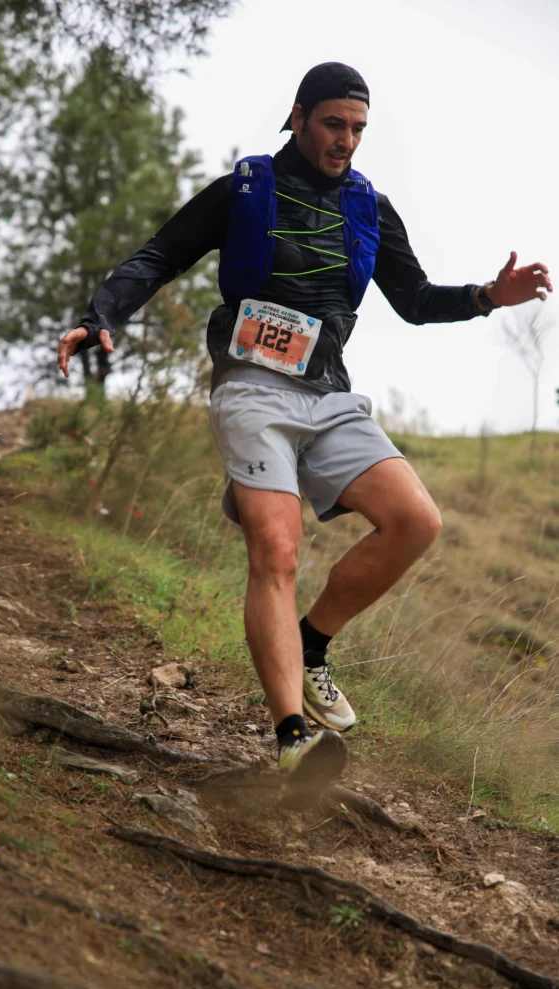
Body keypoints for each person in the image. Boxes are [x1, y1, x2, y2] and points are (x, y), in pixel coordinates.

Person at [58, 63, 552, 786]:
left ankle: (311, 645)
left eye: (356, 128)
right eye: (332, 124)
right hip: (251, 388)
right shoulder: (245, 189)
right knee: (277, 551)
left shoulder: (368, 206)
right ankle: (291, 735)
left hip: (327, 394)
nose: (344, 140)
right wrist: (96, 316)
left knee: (415, 520)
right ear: (297, 117)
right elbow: (158, 256)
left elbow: (411, 299)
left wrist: (485, 296)